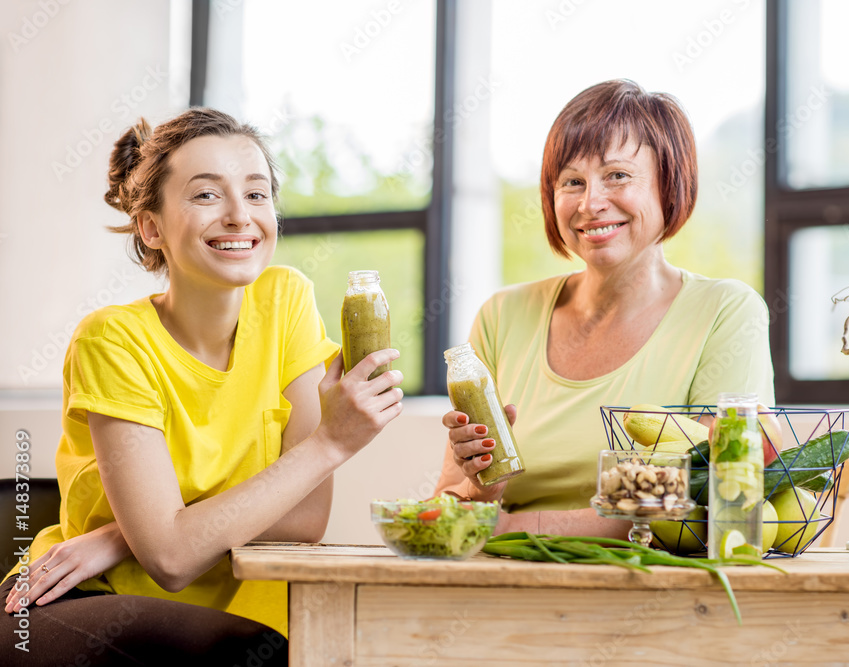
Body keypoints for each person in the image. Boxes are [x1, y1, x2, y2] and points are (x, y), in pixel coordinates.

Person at [1, 108, 404, 665]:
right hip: (84, 601)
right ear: (151, 227)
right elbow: (170, 562)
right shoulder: (112, 341)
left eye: (257, 194)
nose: (241, 216)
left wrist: (126, 536)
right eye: (207, 195)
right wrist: (329, 444)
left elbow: (304, 522)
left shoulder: (285, 301)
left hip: (241, 617)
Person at [435, 80, 774, 538]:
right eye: (572, 182)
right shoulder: (502, 315)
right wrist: (481, 492)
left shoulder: (725, 311)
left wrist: (513, 527)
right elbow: (454, 502)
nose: (590, 203)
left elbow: (699, 500)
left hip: (654, 595)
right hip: (500, 583)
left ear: (669, 183)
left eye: (617, 175)